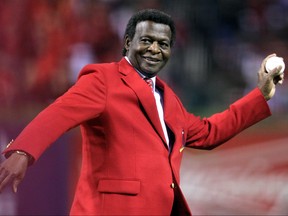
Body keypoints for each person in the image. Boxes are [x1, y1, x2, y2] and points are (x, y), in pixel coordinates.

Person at [0, 8, 285, 215]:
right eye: (146, 40)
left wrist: (261, 95)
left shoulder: (168, 97)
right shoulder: (104, 79)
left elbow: (209, 133)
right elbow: (60, 111)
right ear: (127, 43)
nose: (154, 49)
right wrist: (23, 151)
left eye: (163, 44)